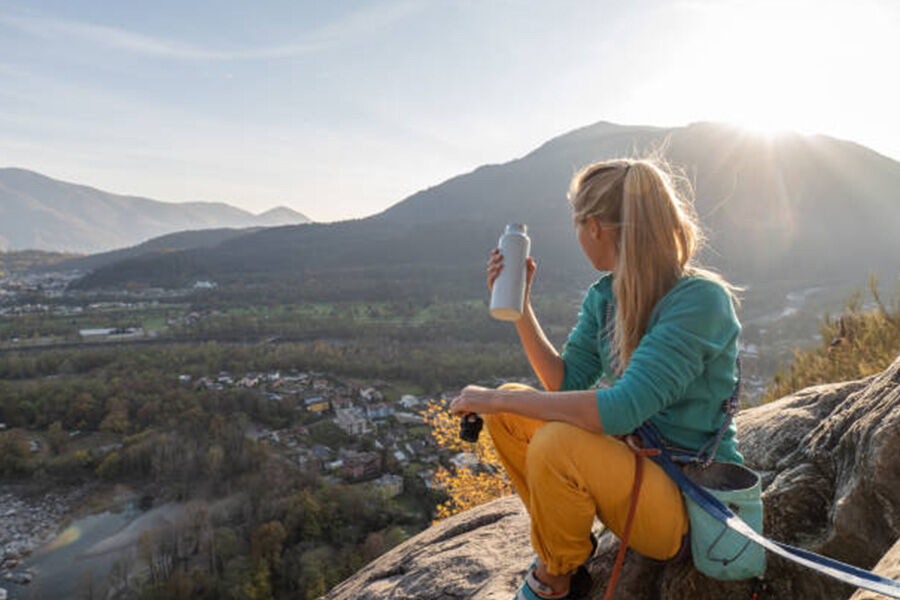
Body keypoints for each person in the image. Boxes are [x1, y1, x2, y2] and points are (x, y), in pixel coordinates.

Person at [450, 158, 743, 600]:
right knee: (512, 412)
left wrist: (493, 398)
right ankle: (566, 550)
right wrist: (520, 307)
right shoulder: (605, 296)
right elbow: (564, 383)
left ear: (594, 228)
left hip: (687, 503)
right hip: (632, 471)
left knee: (550, 439)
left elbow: (622, 408)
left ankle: (555, 578)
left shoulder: (700, 301)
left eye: (577, 225)